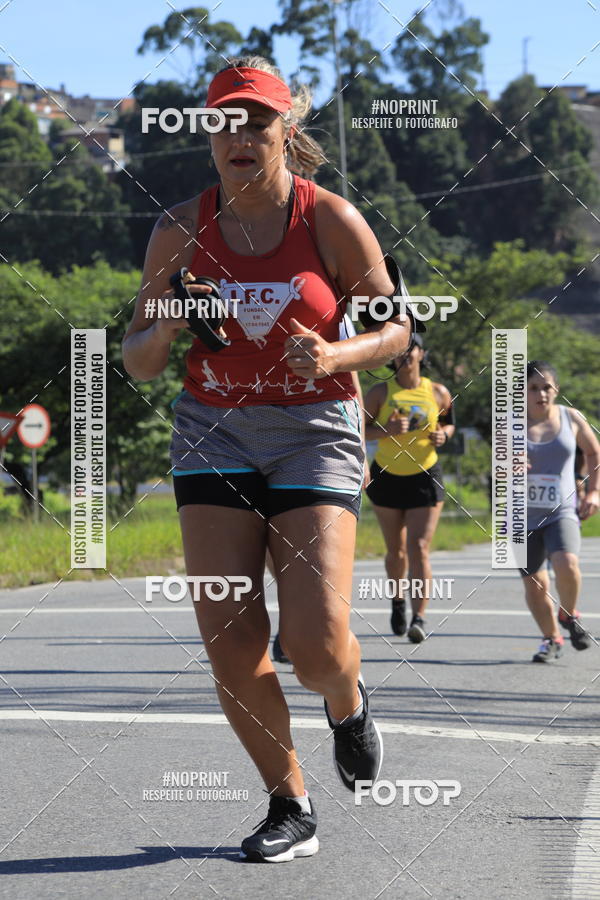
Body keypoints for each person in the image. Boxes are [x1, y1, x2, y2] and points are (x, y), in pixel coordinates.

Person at [122, 57, 412, 862]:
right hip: (213, 431)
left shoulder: (331, 220)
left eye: (257, 122)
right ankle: (291, 803)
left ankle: (347, 701)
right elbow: (137, 360)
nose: (239, 136)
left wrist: (336, 355)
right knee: (230, 637)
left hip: (314, 429)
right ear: (208, 136)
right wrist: (169, 321)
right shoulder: (178, 229)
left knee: (315, 644)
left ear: (287, 130)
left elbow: (398, 331)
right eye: (224, 123)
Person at [363, 334, 454, 641]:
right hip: (387, 476)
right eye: (399, 351)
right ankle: (398, 601)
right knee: (396, 550)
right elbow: (358, 429)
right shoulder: (379, 392)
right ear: (392, 357)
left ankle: (419, 618)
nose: (405, 355)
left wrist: (444, 435)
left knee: (419, 547)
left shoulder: (438, 391)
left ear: (421, 354)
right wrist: (385, 430)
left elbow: (449, 422)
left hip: (425, 475)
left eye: (411, 349)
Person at [522, 361, 599, 663]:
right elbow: (497, 469)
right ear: (523, 393)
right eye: (533, 388)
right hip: (520, 515)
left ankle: (568, 613)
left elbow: (594, 452)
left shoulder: (571, 417)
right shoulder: (510, 424)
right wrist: (509, 466)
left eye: (547, 387)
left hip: (562, 510)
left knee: (567, 562)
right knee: (536, 585)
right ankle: (551, 638)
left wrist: (593, 491)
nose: (541, 394)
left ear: (556, 389)